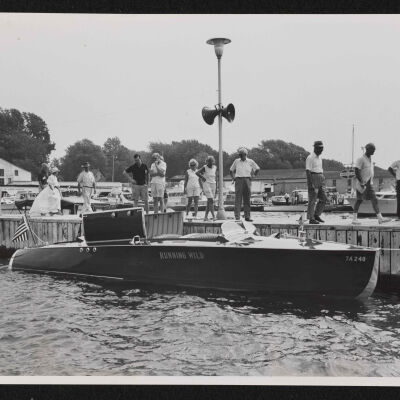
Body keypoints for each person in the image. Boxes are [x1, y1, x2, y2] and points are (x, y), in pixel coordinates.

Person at [352, 143, 389, 224]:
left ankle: (380, 218)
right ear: (367, 149)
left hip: (369, 183)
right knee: (359, 200)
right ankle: (354, 219)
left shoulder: (371, 160)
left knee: (374, 200)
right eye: (373, 150)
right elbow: (356, 170)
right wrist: (361, 181)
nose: (374, 152)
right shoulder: (361, 159)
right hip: (362, 184)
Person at [229, 147, 260, 222]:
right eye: (239, 154)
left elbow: (257, 168)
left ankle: (247, 217)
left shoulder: (250, 161)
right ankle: (237, 217)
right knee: (238, 199)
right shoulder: (236, 161)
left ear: (245, 154)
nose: (240, 156)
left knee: (247, 199)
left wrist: (253, 176)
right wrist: (233, 178)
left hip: (247, 179)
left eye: (241, 154)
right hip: (238, 180)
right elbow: (231, 170)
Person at [305, 140, 327, 224]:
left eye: (322, 149)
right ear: (315, 148)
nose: (321, 151)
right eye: (320, 149)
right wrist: (311, 184)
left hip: (320, 177)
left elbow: (319, 169)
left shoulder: (320, 158)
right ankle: (311, 218)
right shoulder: (310, 157)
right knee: (312, 199)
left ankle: (316, 214)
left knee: (324, 198)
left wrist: (322, 178)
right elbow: (308, 171)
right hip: (313, 177)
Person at [196, 155, 217, 221]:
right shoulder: (205, 167)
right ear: (207, 161)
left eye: (211, 161)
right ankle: (214, 216)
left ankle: (205, 217)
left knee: (209, 202)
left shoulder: (215, 167)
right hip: (207, 184)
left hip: (213, 184)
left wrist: (217, 188)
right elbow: (197, 172)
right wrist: (202, 177)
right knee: (211, 200)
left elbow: (215, 177)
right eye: (208, 161)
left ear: (213, 161)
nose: (210, 163)